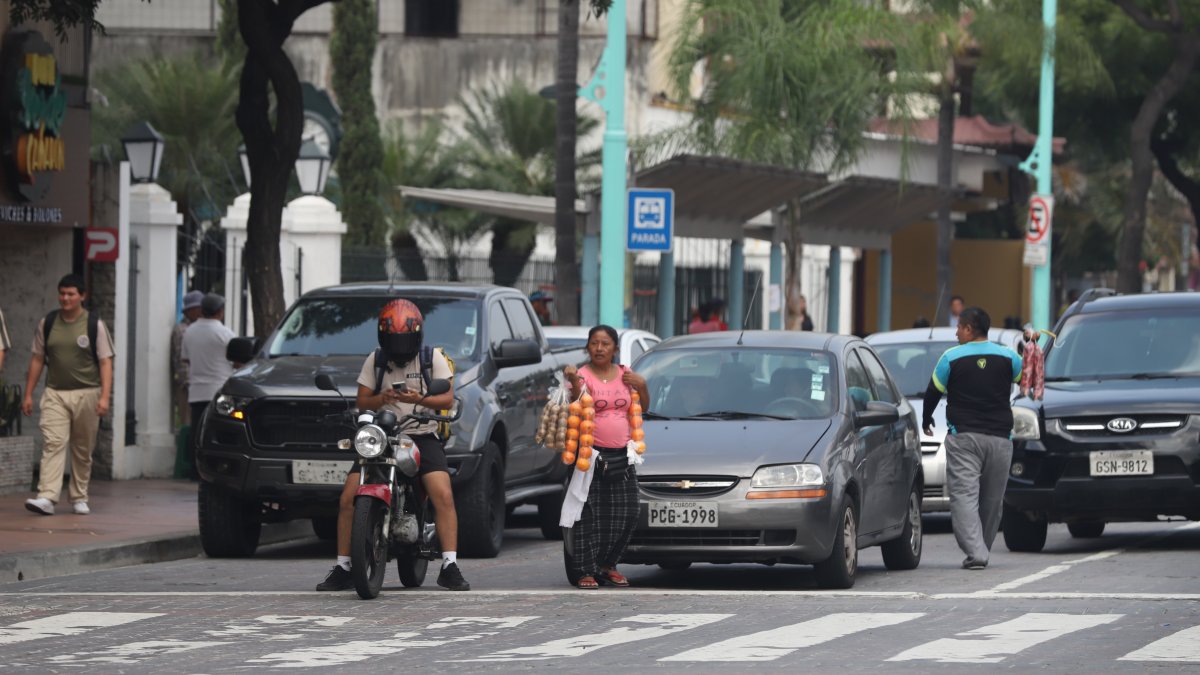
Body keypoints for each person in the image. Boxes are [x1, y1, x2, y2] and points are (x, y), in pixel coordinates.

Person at [316, 298, 470, 592]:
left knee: (443, 494)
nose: (399, 346)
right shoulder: (375, 360)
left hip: (420, 433)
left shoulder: (431, 357)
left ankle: (450, 565)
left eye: (404, 339)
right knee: (348, 497)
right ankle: (344, 566)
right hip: (381, 435)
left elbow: (447, 398)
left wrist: (419, 400)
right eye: (393, 339)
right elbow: (363, 399)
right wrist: (382, 399)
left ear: (417, 335)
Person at [922, 306, 1021, 570]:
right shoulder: (1009, 357)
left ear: (968, 329)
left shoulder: (950, 358)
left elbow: (933, 391)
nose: (956, 332)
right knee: (992, 499)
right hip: (1001, 439)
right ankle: (980, 550)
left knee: (964, 496)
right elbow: (1029, 378)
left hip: (964, 439)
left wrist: (926, 418)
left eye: (959, 327)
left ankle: (977, 552)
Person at [562, 325, 650, 589]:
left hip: (623, 454)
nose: (599, 348)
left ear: (615, 348)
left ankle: (608, 565)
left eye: (605, 344)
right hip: (590, 456)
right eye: (594, 343)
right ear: (588, 347)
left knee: (628, 512)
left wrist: (643, 385)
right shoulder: (581, 375)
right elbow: (573, 404)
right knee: (588, 515)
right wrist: (574, 382)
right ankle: (585, 571)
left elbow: (643, 407)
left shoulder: (627, 376)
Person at [21, 274, 114, 516]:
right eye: (62, 293)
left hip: (88, 394)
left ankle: (79, 496)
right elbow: (37, 359)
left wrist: (105, 397)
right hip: (55, 393)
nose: (65, 298)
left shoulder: (95, 325)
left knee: (82, 449)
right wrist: (29, 394)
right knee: (53, 443)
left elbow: (105, 363)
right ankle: (47, 497)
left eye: (71, 294)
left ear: (82, 296)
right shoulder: (48, 322)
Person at [180, 293, 236, 479]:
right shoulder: (225, 333)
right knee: (218, 431)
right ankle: (217, 469)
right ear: (220, 311)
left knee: (197, 431)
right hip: (219, 389)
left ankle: (195, 470)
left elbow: (186, 359)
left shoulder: (189, 332)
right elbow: (237, 361)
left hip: (196, 389)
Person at [171, 290, 204, 428]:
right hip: (188, 386)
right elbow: (181, 360)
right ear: (192, 310)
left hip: (199, 384)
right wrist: (187, 383)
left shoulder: (198, 328)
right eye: (199, 308)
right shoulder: (182, 330)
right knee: (188, 424)